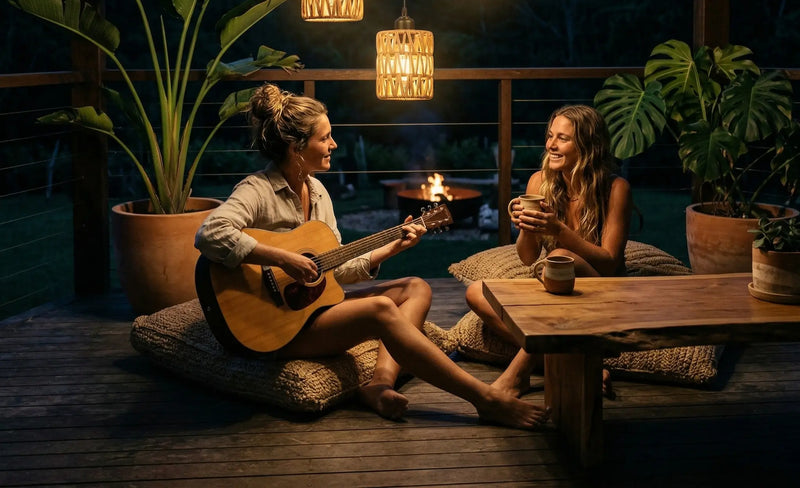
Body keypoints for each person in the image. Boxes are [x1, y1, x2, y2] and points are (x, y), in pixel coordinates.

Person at [195, 83, 550, 429]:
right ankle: (485, 399)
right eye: (324, 138)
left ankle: (379, 383)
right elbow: (210, 233)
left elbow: (336, 269)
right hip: (274, 328)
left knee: (416, 287)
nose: (334, 144)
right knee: (379, 309)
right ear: (295, 146)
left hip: (311, 308)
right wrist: (282, 259)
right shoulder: (257, 189)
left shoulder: (317, 192)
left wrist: (392, 248)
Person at [465, 104, 632, 399]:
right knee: (477, 292)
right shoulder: (539, 181)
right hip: (556, 288)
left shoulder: (615, 188)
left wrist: (559, 231)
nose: (551, 145)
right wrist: (526, 228)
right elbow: (528, 257)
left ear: (587, 145)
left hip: (601, 292)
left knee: (558, 258)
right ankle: (577, 364)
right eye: (550, 135)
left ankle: (516, 377)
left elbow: (609, 262)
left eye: (562, 138)